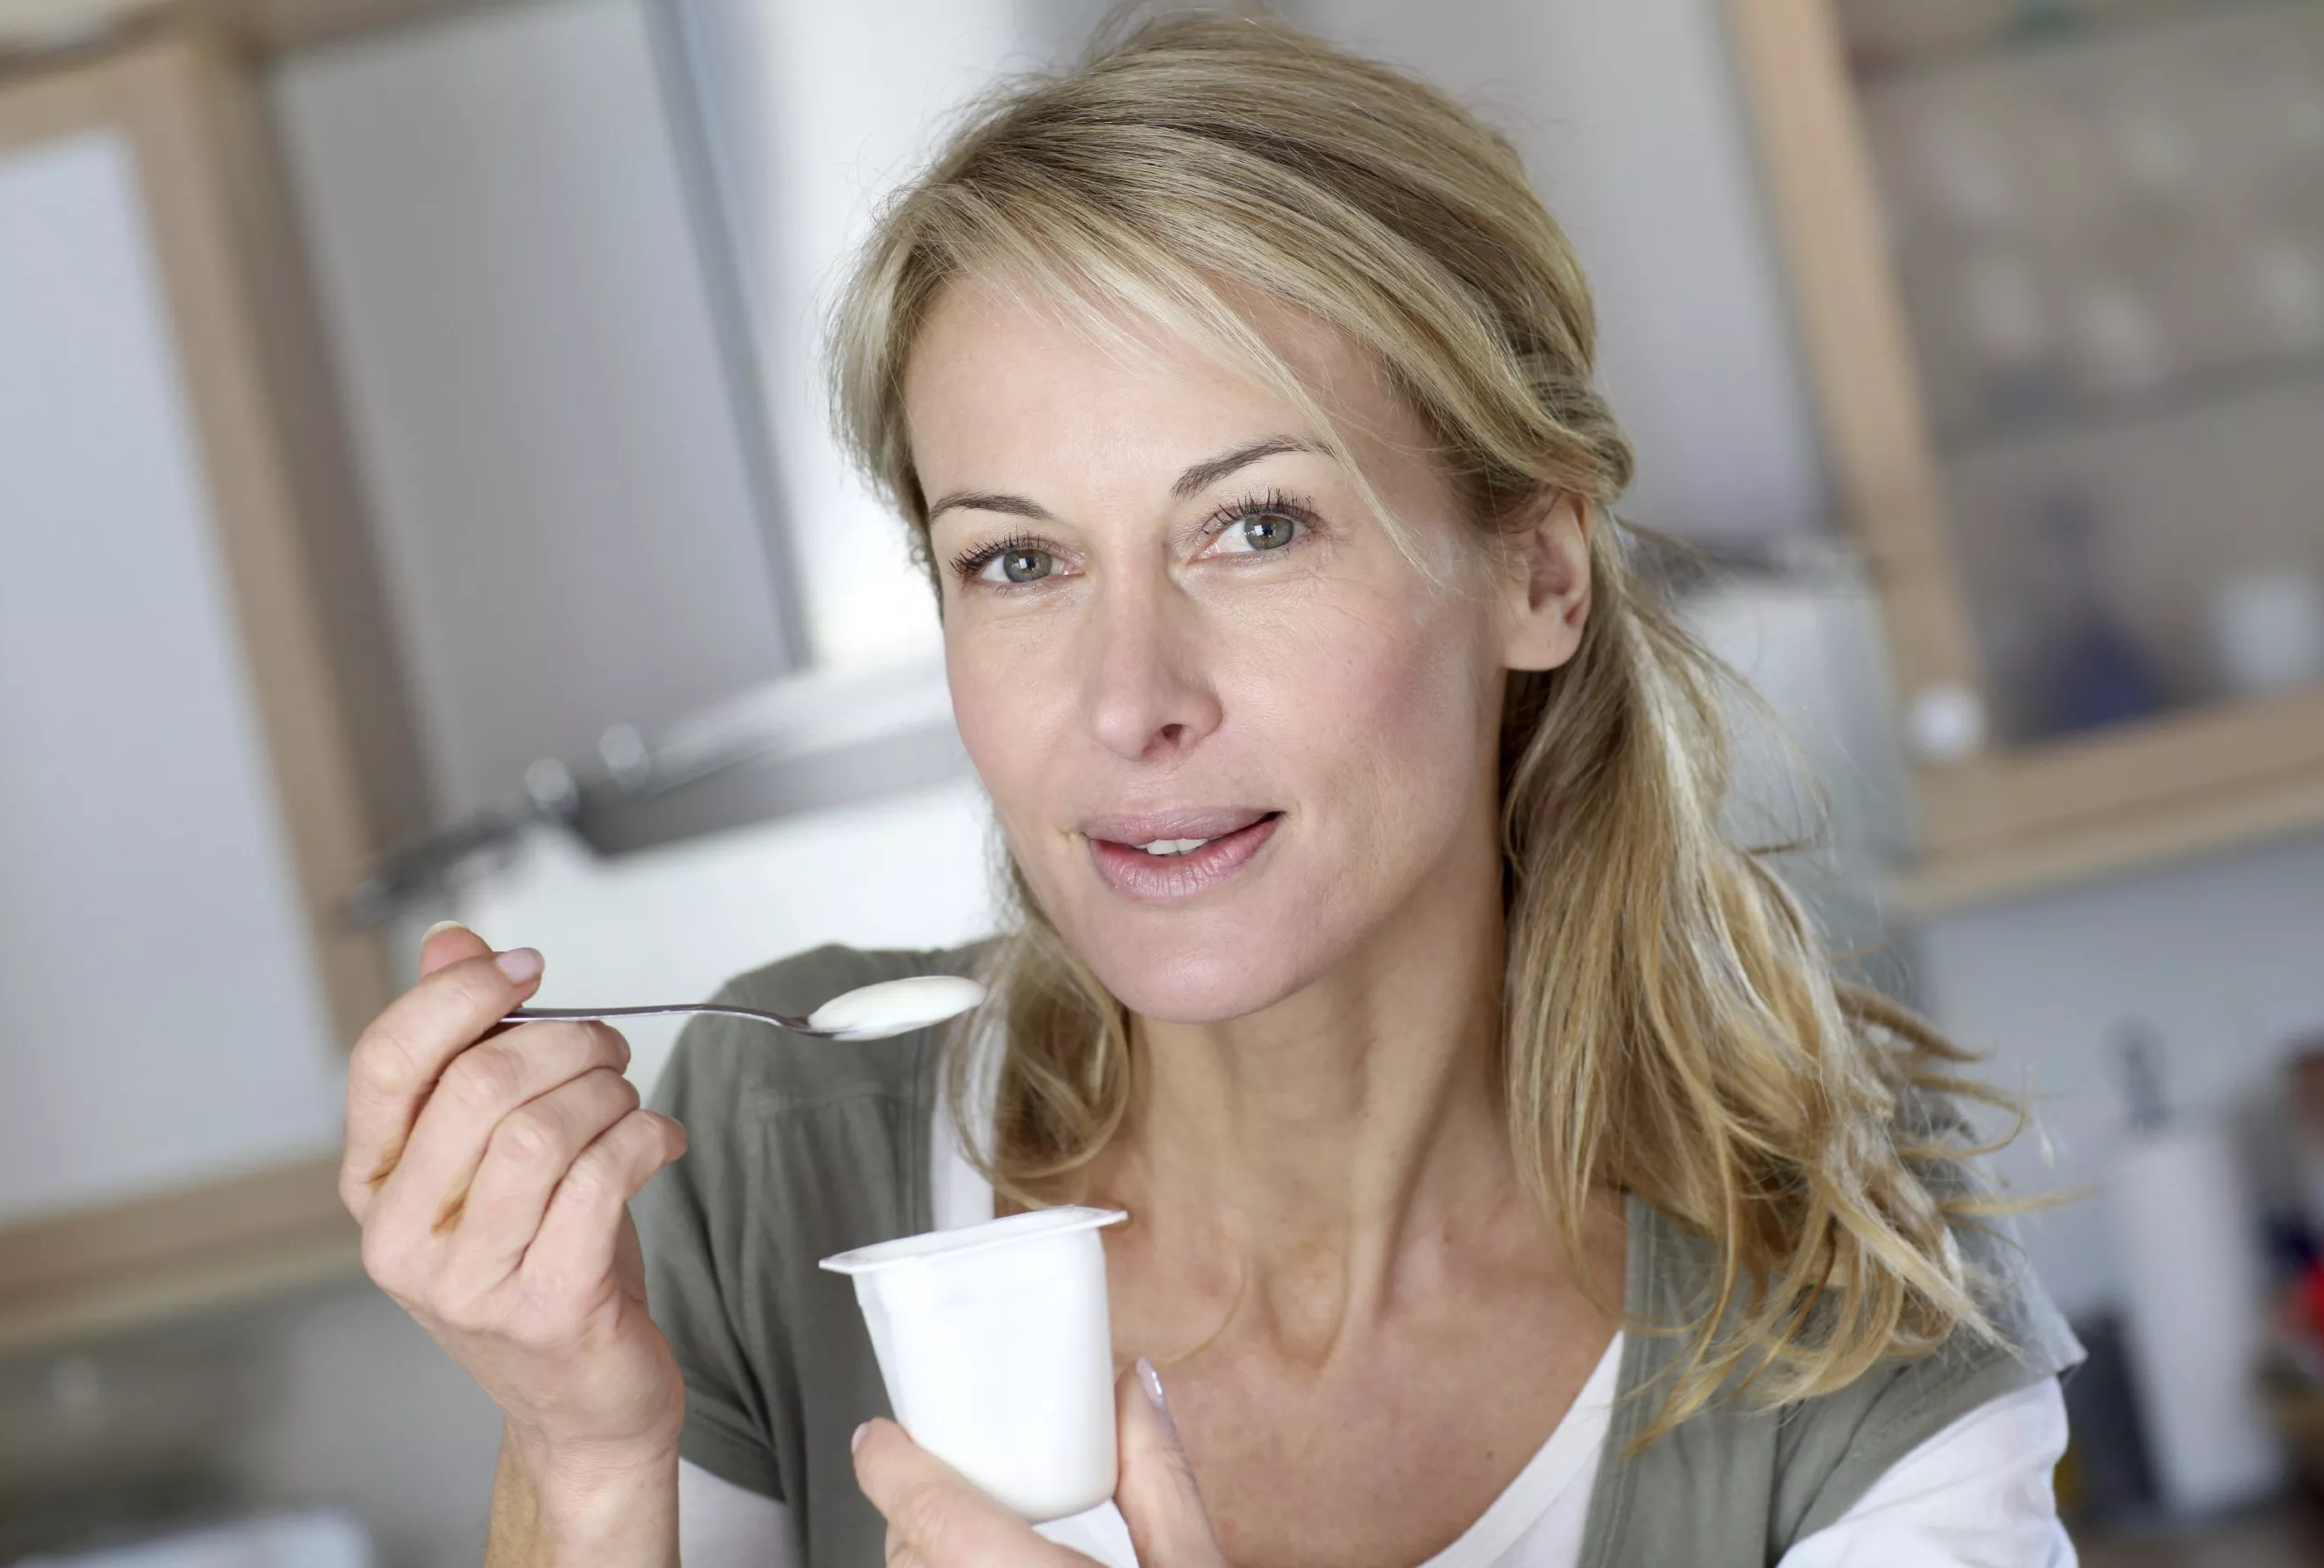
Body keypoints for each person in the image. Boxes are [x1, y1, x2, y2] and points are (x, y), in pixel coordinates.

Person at [337, 11, 2083, 1566]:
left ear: (1540, 569)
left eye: (1257, 528)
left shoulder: (1854, 1350)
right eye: (1017, 562)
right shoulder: (770, 1168)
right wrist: (580, 1461)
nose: (1128, 702)